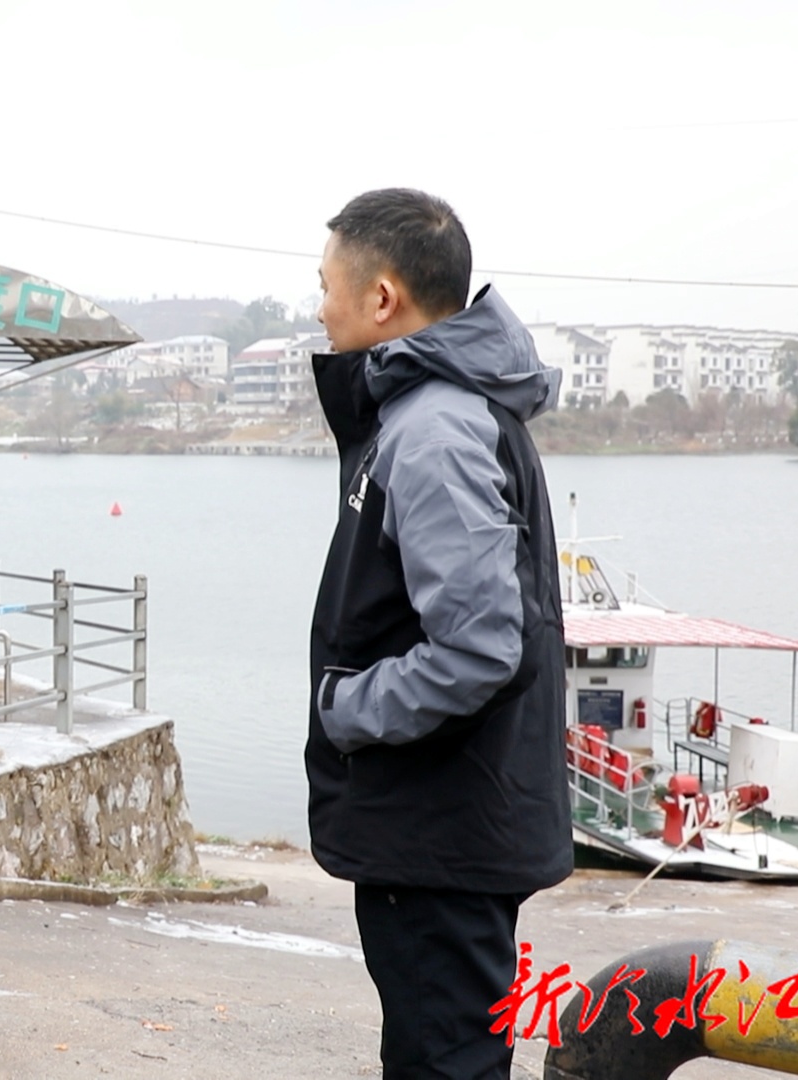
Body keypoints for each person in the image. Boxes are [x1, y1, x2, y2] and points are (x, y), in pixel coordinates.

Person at [306, 188, 572, 1079]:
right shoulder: (439, 412)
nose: (320, 308)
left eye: (327, 286)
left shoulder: (435, 428)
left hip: (441, 834)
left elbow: (481, 646)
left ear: (382, 298)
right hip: (447, 825)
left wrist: (347, 708)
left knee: (444, 1059)